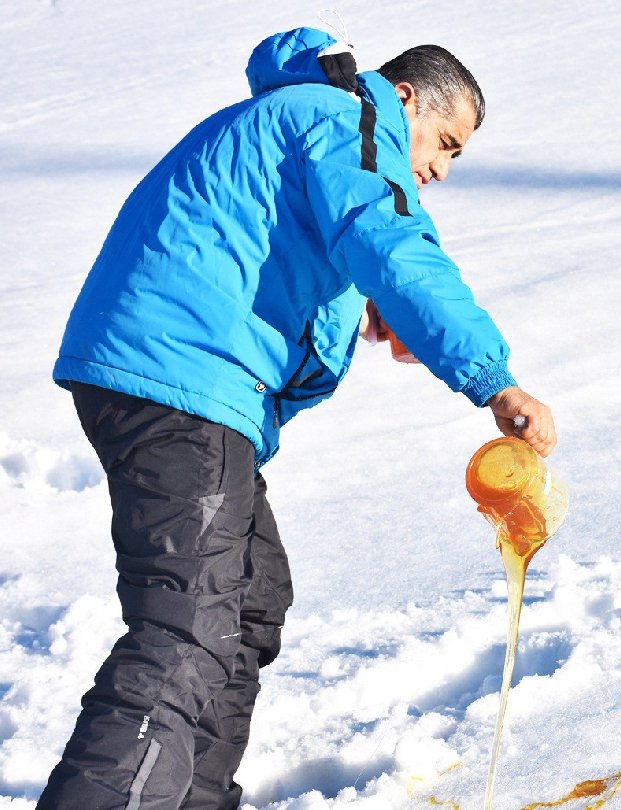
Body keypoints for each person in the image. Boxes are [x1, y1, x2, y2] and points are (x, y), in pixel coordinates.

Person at [38, 26, 556, 809]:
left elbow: (331, 243)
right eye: (445, 144)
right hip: (183, 378)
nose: (440, 171)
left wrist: (363, 296)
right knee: (187, 626)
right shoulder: (345, 117)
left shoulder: (303, 119)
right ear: (405, 97)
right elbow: (393, 240)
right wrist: (494, 382)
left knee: (247, 603)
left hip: (175, 379)